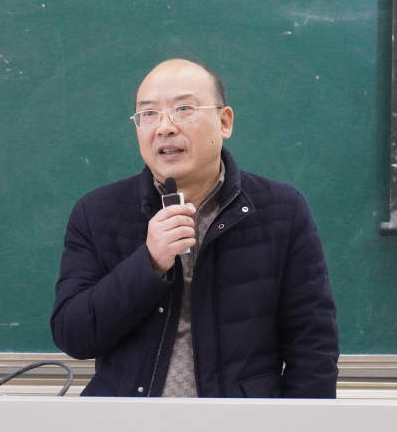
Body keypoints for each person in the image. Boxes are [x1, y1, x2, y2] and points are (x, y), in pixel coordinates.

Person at [50, 58, 339, 397]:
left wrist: (297, 425)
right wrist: (148, 263)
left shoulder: (282, 210)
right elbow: (74, 335)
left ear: (224, 122)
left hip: (238, 421)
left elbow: (313, 345)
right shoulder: (97, 211)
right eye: (148, 113)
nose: (165, 127)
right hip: (127, 419)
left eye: (183, 109)